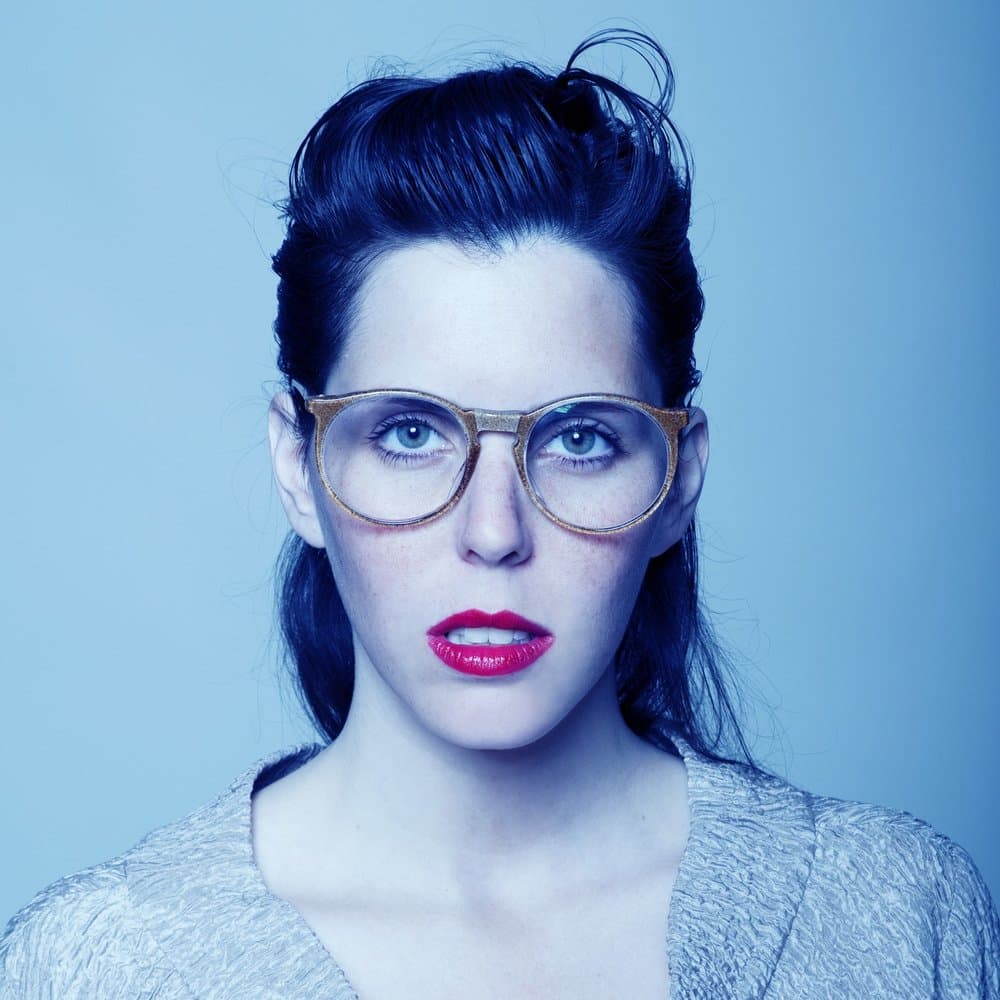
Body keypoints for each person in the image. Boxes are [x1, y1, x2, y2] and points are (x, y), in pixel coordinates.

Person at [1, 29, 997, 999]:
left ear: (678, 477)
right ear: (299, 465)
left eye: (578, 438)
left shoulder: (894, 917)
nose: (492, 533)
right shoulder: (107, 966)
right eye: (408, 433)